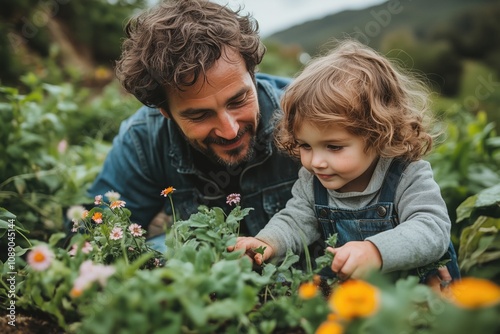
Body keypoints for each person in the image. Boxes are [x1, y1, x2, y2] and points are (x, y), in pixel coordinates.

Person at [77, 0, 455, 287]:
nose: (228, 129)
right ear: (163, 111)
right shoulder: (144, 140)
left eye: (238, 100)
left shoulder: (317, 120)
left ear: (252, 72)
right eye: (199, 114)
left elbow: (429, 227)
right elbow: (89, 239)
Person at [229, 39, 460, 283]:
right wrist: (266, 243)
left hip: (420, 293)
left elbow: (432, 228)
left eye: (334, 147)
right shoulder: (313, 181)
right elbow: (295, 220)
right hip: (361, 299)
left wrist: (375, 251)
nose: (316, 162)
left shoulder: (407, 175)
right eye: (305, 145)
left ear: (378, 135)